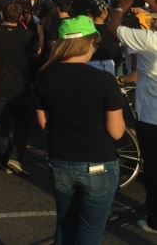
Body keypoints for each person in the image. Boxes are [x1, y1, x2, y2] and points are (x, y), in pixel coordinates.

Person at [36, 16, 125, 244]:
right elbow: (116, 132)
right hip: (98, 162)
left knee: (65, 225)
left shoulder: (44, 76)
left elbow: (43, 123)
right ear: (88, 44)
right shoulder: (104, 80)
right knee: (90, 233)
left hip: (61, 160)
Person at [109, 0, 157, 234]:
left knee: (154, 168)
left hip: (151, 116)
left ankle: (154, 220)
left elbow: (114, 28)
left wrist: (121, 7)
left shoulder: (149, 40)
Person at [0, 1, 36, 175]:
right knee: (22, 125)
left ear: (2, 15)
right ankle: (15, 156)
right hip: (22, 87)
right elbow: (34, 59)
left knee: (1, 126)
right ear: (20, 17)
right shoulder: (28, 35)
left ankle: (5, 159)